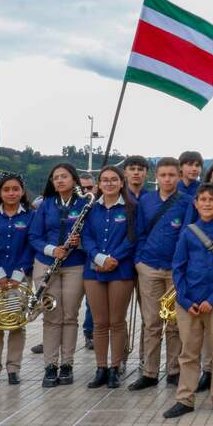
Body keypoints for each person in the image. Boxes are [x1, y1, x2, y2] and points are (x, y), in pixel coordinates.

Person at [163, 183, 213, 420]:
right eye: (203, 200)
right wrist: (185, 300)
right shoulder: (188, 232)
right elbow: (178, 267)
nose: (207, 203)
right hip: (190, 303)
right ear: (196, 204)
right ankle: (185, 399)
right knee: (188, 352)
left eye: (212, 200)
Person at [130, 157, 192, 391]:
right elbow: (138, 233)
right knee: (152, 322)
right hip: (149, 266)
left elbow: (186, 235)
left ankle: (174, 370)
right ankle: (149, 372)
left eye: (171, 175)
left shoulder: (187, 202)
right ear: (156, 176)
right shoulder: (145, 202)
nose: (167, 179)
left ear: (179, 176)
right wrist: (139, 261)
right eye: (163, 175)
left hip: (174, 270)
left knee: (175, 322)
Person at [29, 163, 89, 388]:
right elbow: (34, 236)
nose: (60, 180)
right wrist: (51, 250)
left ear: (74, 180)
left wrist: (80, 242)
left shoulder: (85, 205)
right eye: (56, 178)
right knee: (52, 315)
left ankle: (67, 365)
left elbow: (92, 235)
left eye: (65, 176)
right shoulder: (45, 205)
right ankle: (50, 366)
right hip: (46, 264)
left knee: (70, 316)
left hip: (75, 265)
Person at [80, 165, 137, 389]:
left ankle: (115, 368)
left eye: (114, 179)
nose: (110, 183)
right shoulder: (91, 209)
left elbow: (133, 238)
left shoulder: (132, 208)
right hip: (93, 270)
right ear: (99, 184)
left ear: (122, 183)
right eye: (105, 180)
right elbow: (86, 237)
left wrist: (114, 258)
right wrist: (99, 258)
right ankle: (101, 368)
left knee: (116, 321)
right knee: (100, 322)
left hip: (121, 270)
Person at [0, 173, 34, 384]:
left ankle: (13, 368)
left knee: (17, 323)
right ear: (0, 193)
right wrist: (0, 275)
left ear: (22, 191)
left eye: (15, 189)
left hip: (20, 278)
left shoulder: (31, 216)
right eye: (6, 189)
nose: (11, 193)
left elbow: (31, 246)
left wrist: (18, 276)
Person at [79, 173, 96, 351]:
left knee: (92, 301)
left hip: (92, 257)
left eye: (89, 188)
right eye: (82, 188)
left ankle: (90, 333)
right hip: (75, 259)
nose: (85, 191)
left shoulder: (98, 206)